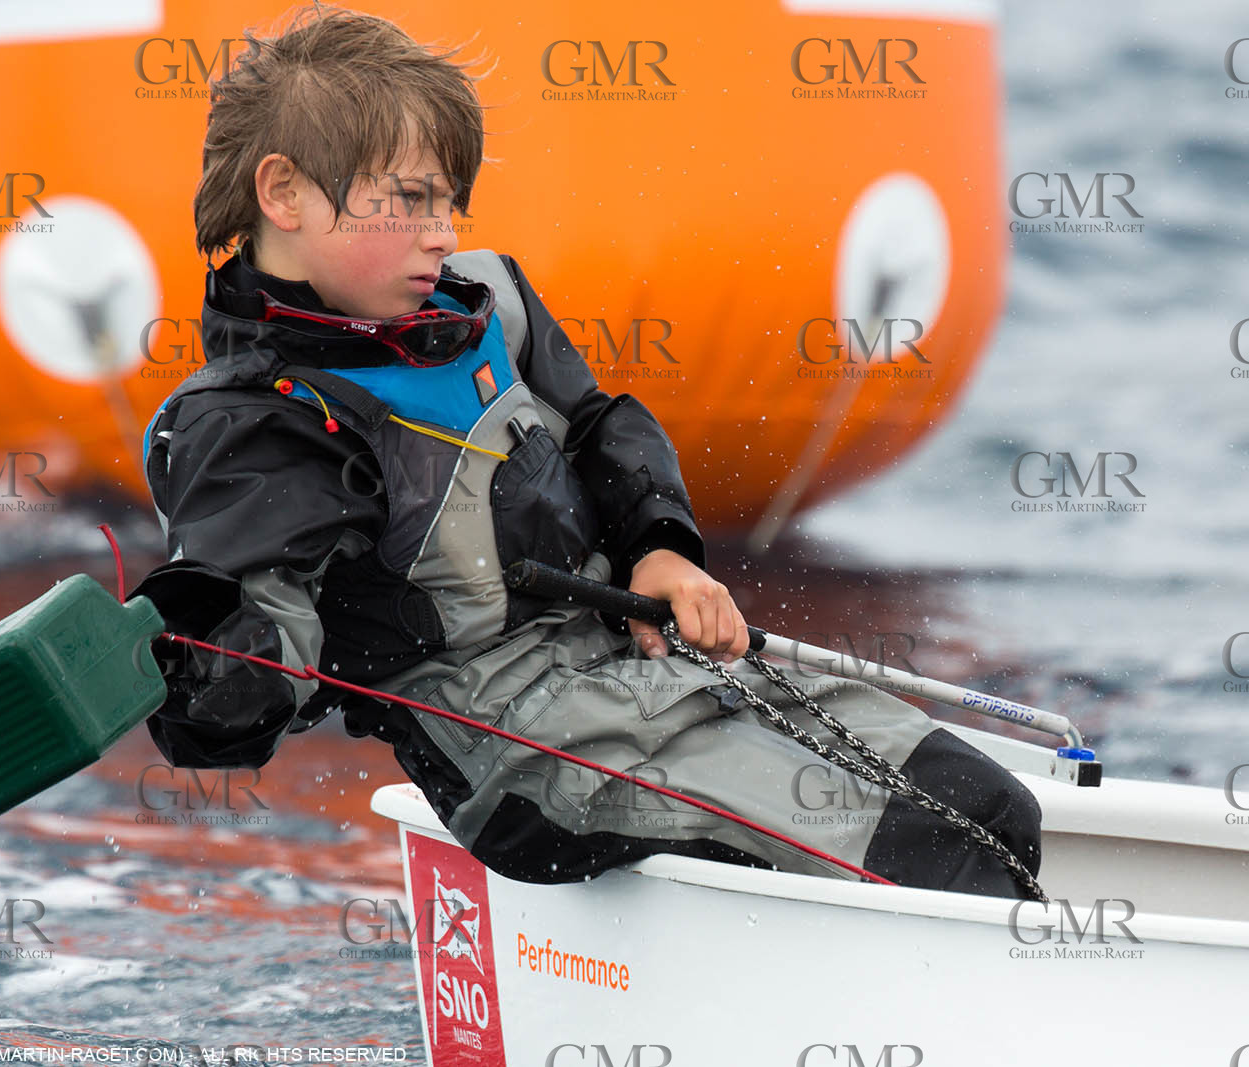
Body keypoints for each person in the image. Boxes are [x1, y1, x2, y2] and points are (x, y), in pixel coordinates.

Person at [131, 2, 1042, 897]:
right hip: (517, 755)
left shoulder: (488, 303)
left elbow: (605, 427)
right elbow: (247, 678)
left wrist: (661, 550)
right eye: (410, 200)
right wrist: (191, 659)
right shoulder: (256, 425)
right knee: (931, 851)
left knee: (990, 806)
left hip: (635, 667)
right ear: (283, 194)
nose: (443, 232)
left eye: (449, 200)